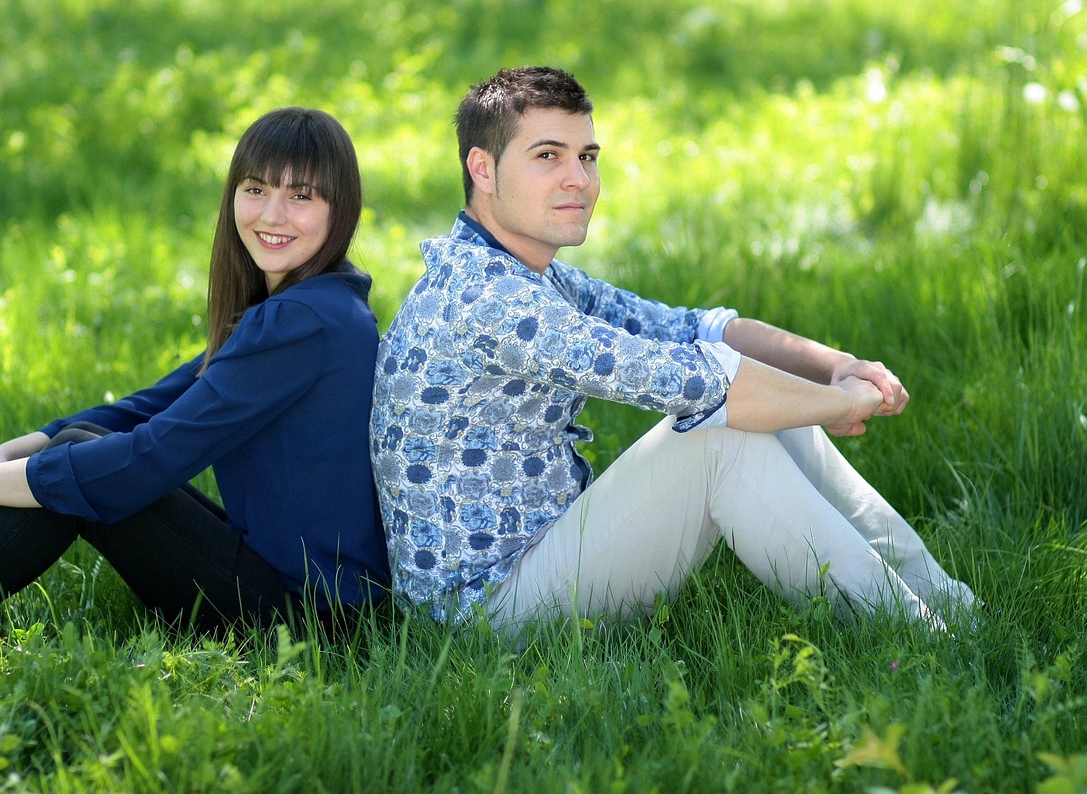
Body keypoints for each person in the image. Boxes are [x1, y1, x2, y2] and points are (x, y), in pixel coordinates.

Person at [370, 67, 978, 633]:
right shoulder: (487, 298)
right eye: (547, 156)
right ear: (482, 168)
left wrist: (837, 367)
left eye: (586, 157)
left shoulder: (526, 273)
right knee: (720, 434)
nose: (578, 179)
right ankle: (916, 634)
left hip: (542, 554)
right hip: (481, 612)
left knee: (757, 401)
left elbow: (692, 330)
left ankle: (950, 607)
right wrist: (837, 403)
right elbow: (695, 382)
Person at [0, 107, 390, 635]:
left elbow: (152, 458)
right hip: (294, 590)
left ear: (340, 209)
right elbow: (151, 407)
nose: (272, 215)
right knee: (75, 454)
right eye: (255, 189)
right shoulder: (315, 304)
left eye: (301, 196)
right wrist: (13, 452)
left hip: (312, 621)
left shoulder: (306, 322)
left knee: (80, 477)